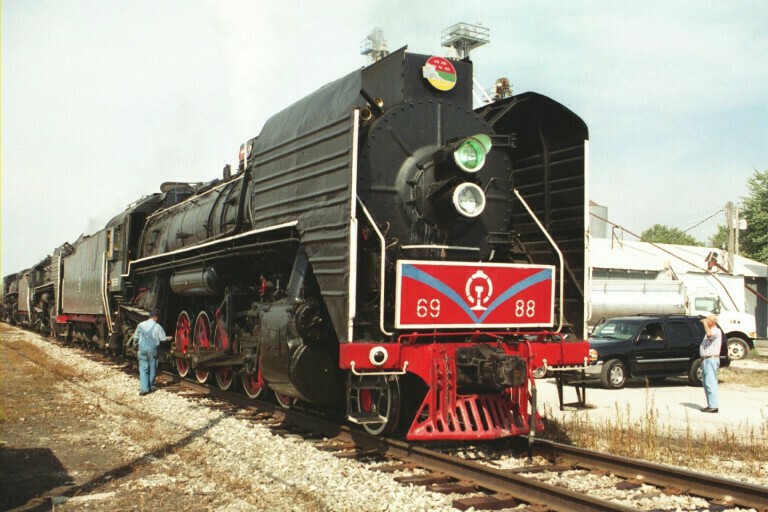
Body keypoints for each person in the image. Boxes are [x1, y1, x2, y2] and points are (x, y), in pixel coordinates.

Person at [133, 310, 169, 396]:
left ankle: (144, 388)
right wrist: (169, 338)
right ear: (155, 317)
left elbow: (136, 338)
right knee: (153, 367)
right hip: (153, 349)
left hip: (142, 349)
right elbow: (163, 339)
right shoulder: (158, 326)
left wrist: (135, 345)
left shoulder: (140, 325)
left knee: (143, 368)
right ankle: (151, 386)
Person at [699, 314, 722, 413]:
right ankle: (710, 404)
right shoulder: (710, 331)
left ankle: (713, 406)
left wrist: (704, 324)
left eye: (707, 320)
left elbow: (709, 335)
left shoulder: (716, 331)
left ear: (712, 322)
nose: (705, 321)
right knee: (705, 382)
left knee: (710, 382)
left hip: (711, 359)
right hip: (706, 359)